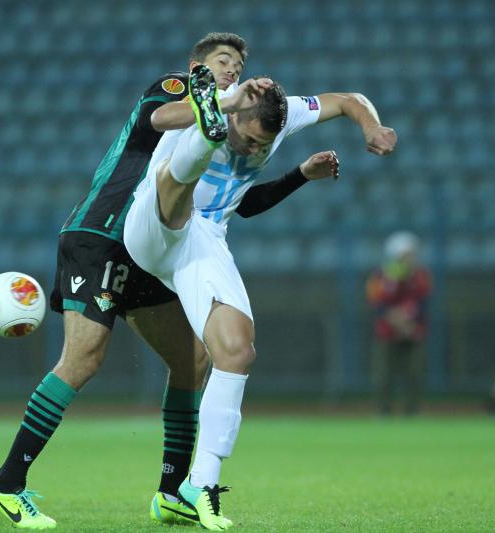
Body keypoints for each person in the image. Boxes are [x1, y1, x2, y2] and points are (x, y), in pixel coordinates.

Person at [0, 32, 340, 530]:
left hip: (155, 249)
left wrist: (296, 172)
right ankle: (7, 483)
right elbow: (159, 118)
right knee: (83, 360)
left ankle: (172, 493)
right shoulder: (178, 89)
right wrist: (220, 103)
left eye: (238, 67)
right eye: (223, 61)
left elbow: (240, 203)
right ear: (197, 66)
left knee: (193, 361)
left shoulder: (225, 131)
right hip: (104, 234)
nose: (231, 71)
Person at [124, 65, 396, 529]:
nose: (252, 149)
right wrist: (222, 103)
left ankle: (201, 484)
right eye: (247, 139)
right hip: (152, 223)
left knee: (237, 351)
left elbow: (348, 99)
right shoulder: (223, 104)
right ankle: (204, 129)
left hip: (204, 239)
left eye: (261, 145)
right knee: (178, 177)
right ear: (235, 114)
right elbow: (155, 119)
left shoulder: (285, 114)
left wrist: (372, 126)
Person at [366, 231, 431, 415]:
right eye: (406, 254)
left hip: (413, 332)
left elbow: (424, 303)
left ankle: (412, 412)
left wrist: (409, 326)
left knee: (415, 374)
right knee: (383, 375)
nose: (411, 258)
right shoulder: (379, 277)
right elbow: (378, 305)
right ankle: (382, 411)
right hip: (387, 333)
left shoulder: (421, 276)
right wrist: (398, 322)